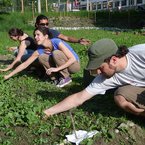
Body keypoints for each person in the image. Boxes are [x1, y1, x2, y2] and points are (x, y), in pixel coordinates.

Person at [43, 38, 145, 119]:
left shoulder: (141, 53)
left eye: (100, 67)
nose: (98, 72)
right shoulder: (106, 77)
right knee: (120, 96)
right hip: (140, 88)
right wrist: (48, 112)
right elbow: (79, 98)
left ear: (113, 60)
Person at [3, 26, 80, 88]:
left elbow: (72, 58)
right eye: (35, 35)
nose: (35, 37)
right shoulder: (40, 49)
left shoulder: (56, 41)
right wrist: (8, 75)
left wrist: (57, 69)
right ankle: (55, 78)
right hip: (62, 66)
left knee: (56, 53)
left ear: (46, 36)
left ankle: (66, 78)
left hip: (73, 65)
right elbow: (25, 64)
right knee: (42, 57)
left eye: (38, 35)